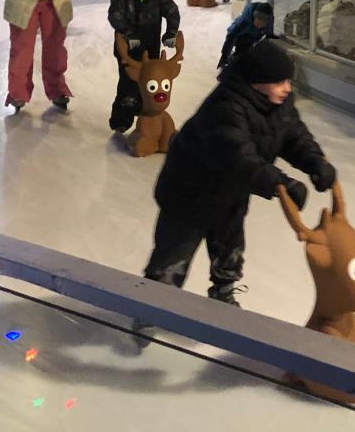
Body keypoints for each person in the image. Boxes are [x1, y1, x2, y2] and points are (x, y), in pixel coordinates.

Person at [140, 40, 337, 308]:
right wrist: (281, 182)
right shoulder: (225, 108)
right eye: (280, 82)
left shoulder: (278, 102)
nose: (287, 88)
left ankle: (224, 293)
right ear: (258, 81)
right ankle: (151, 308)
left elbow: (294, 135)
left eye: (288, 81)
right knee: (173, 257)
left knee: (229, 250)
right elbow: (238, 158)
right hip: (188, 196)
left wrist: (315, 162)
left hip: (229, 196)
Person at [107, 0, 180, 132]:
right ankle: (122, 118)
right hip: (128, 47)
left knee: (149, 83)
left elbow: (171, 10)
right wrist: (127, 33)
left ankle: (146, 116)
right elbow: (114, 15)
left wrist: (171, 31)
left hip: (150, 46)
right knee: (128, 82)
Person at [218, 2, 277, 67]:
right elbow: (231, 36)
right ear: (254, 17)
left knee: (247, 56)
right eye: (257, 22)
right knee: (241, 55)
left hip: (252, 37)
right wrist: (224, 56)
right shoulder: (244, 22)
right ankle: (234, 60)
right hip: (239, 36)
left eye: (261, 23)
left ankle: (238, 58)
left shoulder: (269, 21)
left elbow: (269, 33)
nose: (258, 25)